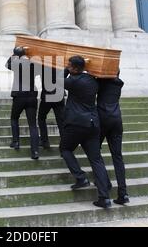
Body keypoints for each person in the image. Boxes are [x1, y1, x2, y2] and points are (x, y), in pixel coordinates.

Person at [60, 55, 112, 209]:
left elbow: (58, 80)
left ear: (75, 68)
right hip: (93, 123)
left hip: (76, 123)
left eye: (70, 65)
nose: (68, 67)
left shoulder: (72, 81)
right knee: (96, 159)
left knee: (65, 149)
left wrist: (65, 70)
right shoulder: (93, 81)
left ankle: (80, 177)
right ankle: (104, 196)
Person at [97, 71, 129, 205]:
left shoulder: (101, 83)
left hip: (103, 119)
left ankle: (104, 181)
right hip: (117, 120)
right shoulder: (119, 83)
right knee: (117, 157)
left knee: (94, 153)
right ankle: (123, 193)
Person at [6, 46, 40, 160]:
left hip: (19, 95)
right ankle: (35, 151)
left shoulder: (16, 63)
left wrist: (14, 54)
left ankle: (16, 142)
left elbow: (7, 65)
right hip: (31, 96)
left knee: (14, 118)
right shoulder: (33, 64)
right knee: (33, 125)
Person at [38, 65, 66, 150]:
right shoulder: (60, 64)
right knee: (61, 121)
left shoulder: (42, 65)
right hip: (59, 95)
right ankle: (64, 146)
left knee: (41, 118)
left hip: (47, 95)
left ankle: (44, 141)